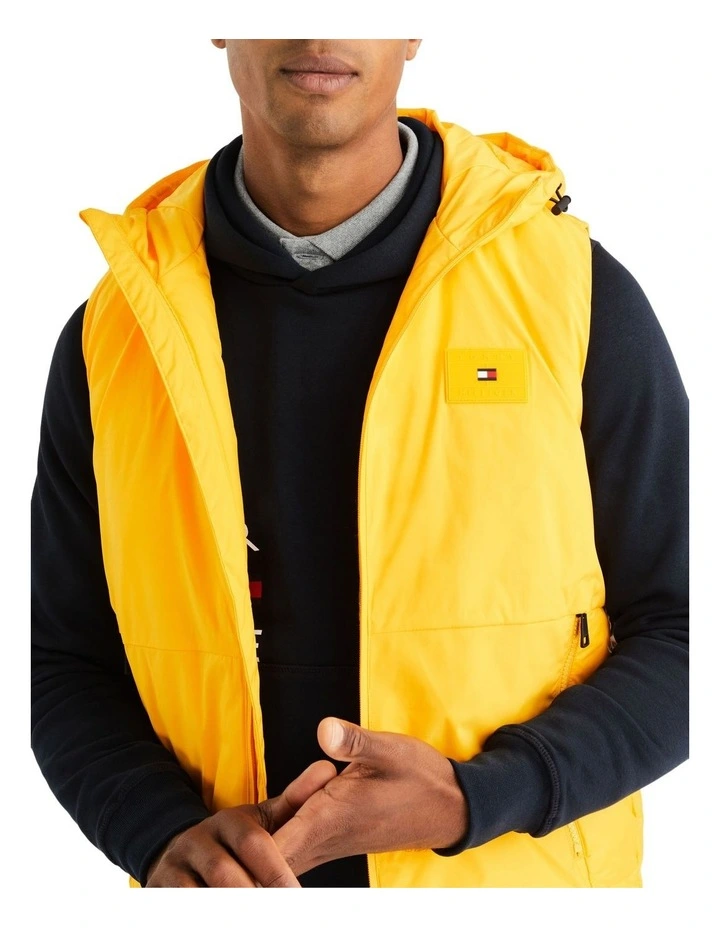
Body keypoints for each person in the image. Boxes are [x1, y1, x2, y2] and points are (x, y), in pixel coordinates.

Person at [30, 39, 689, 889]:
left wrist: (479, 796)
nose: (318, 28)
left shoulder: (576, 296)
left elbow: (686, 629)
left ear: (413, 31)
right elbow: (60, 659)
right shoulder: (115, 335)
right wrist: (156, 832)